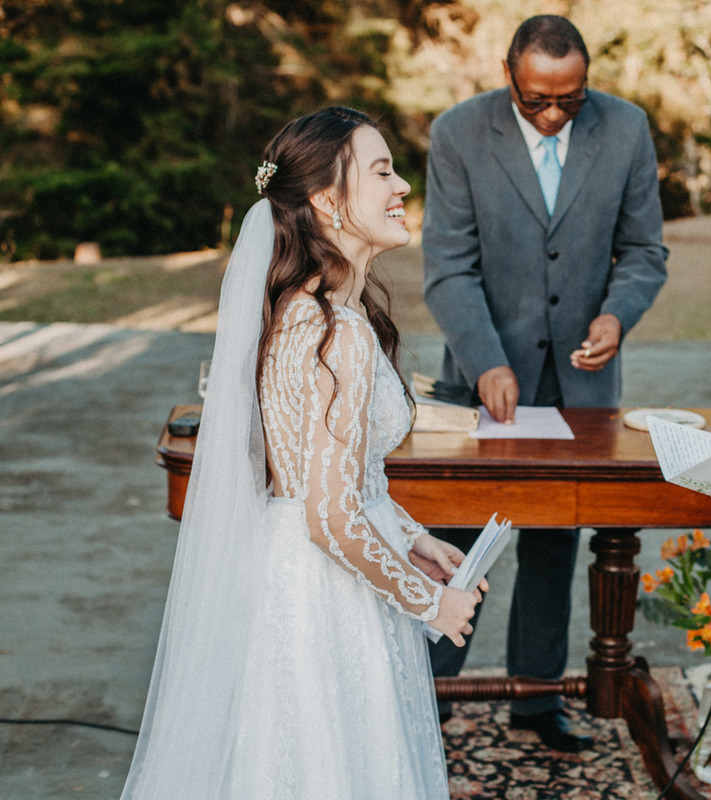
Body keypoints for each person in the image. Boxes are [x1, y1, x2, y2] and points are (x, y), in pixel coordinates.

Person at [120, 107, 482, 799]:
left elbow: (316, 478)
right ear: (325, 199)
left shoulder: (300, 312)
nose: (402, 184)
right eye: (381, 171)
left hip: (295, 573)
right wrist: (428, 605)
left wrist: (412, 536)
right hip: (326, 594)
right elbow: (329, 517)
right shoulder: (333, 332)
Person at [421, 14, 668, 752]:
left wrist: (618, 317)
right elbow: (449, 268)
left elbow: (644, 251)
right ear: (510, 78)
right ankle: (426, 691)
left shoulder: (626, 130)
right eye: (537, 101)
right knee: (451, 539)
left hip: (582, 392)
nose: (555, 114)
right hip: (478, 379)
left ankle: (536, 700)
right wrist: (486, 360)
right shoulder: (457, 134)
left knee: (555, 543)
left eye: (571, 98)